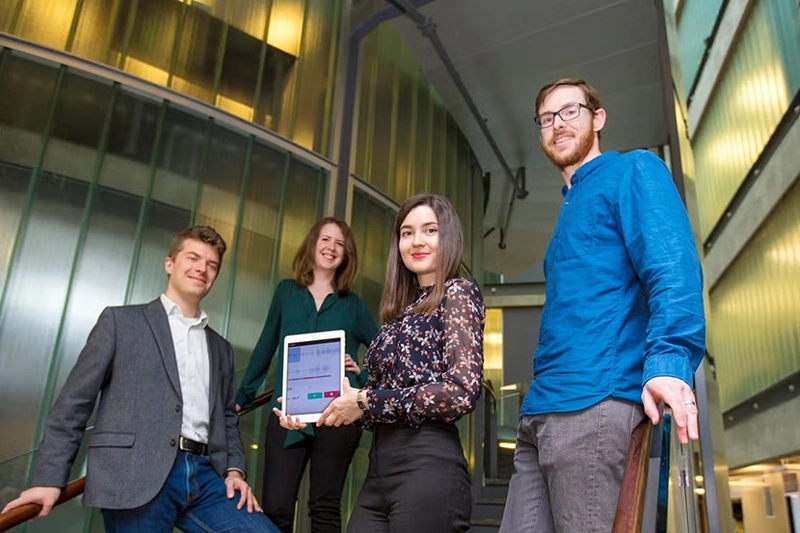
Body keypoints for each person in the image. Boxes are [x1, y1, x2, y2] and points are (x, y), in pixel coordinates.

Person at [499, 78, 705, 532]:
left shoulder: (633, 170)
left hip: (593, 405)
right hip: (538, 414)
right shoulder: (567, 211)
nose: (558, 124)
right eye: (547, 118)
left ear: (598, 117)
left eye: (570, 111)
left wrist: (670, 362)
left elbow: (672, 265)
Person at [1, 226, 279, 533]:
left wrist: (235, 470)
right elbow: (74, 403)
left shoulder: (221, 348)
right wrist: (48, 478)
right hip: (134, 473)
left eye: (212, 265)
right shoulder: (120, 323)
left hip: (206, 476)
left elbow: (227, 418)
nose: (202, 268)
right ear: (169, 264)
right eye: (194, 257)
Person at [276, 193, 485, 533]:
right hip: (379, 468)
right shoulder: (396, 315)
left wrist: (365, 400)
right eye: (406, 232)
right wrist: (317, 408)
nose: (416, 241)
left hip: (428, 463)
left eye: (429, 230)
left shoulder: (457, 293)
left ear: (448, 236)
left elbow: (461, 392)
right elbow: (370, 405)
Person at [236, 217, 378, 533]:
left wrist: (363, 373)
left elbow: (386, 354)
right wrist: (241, 397)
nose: (331, 248)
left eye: (340, 244)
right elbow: (265, 345)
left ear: (347, 255)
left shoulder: (352, 305)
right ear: (312, 244)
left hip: (338, 415)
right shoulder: (286, 292)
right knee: (275, 507)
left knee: (325, 509)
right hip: (288, 411)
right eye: (325, 240)